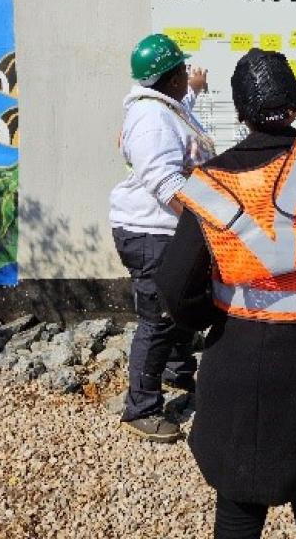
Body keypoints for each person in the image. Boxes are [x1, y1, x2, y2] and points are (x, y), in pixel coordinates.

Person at [156, 48, 296, 539]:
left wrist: (214, 316)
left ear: (240, 112)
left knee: (239, 508)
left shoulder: (210, 184)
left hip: (240, 360)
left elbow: (175, 287)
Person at [109, 32, 215, 442]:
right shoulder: (151, 119)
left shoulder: (162, 105)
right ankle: (141, 407)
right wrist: (208, 219)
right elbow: (165, 181)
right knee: (158, 317)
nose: (187, 76)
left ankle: (174, 370)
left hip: (164, 229)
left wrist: (196, 90)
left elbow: (179, 117)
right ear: (169, 78)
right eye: (182, 72)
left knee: (181, 302)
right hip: (151, 231)